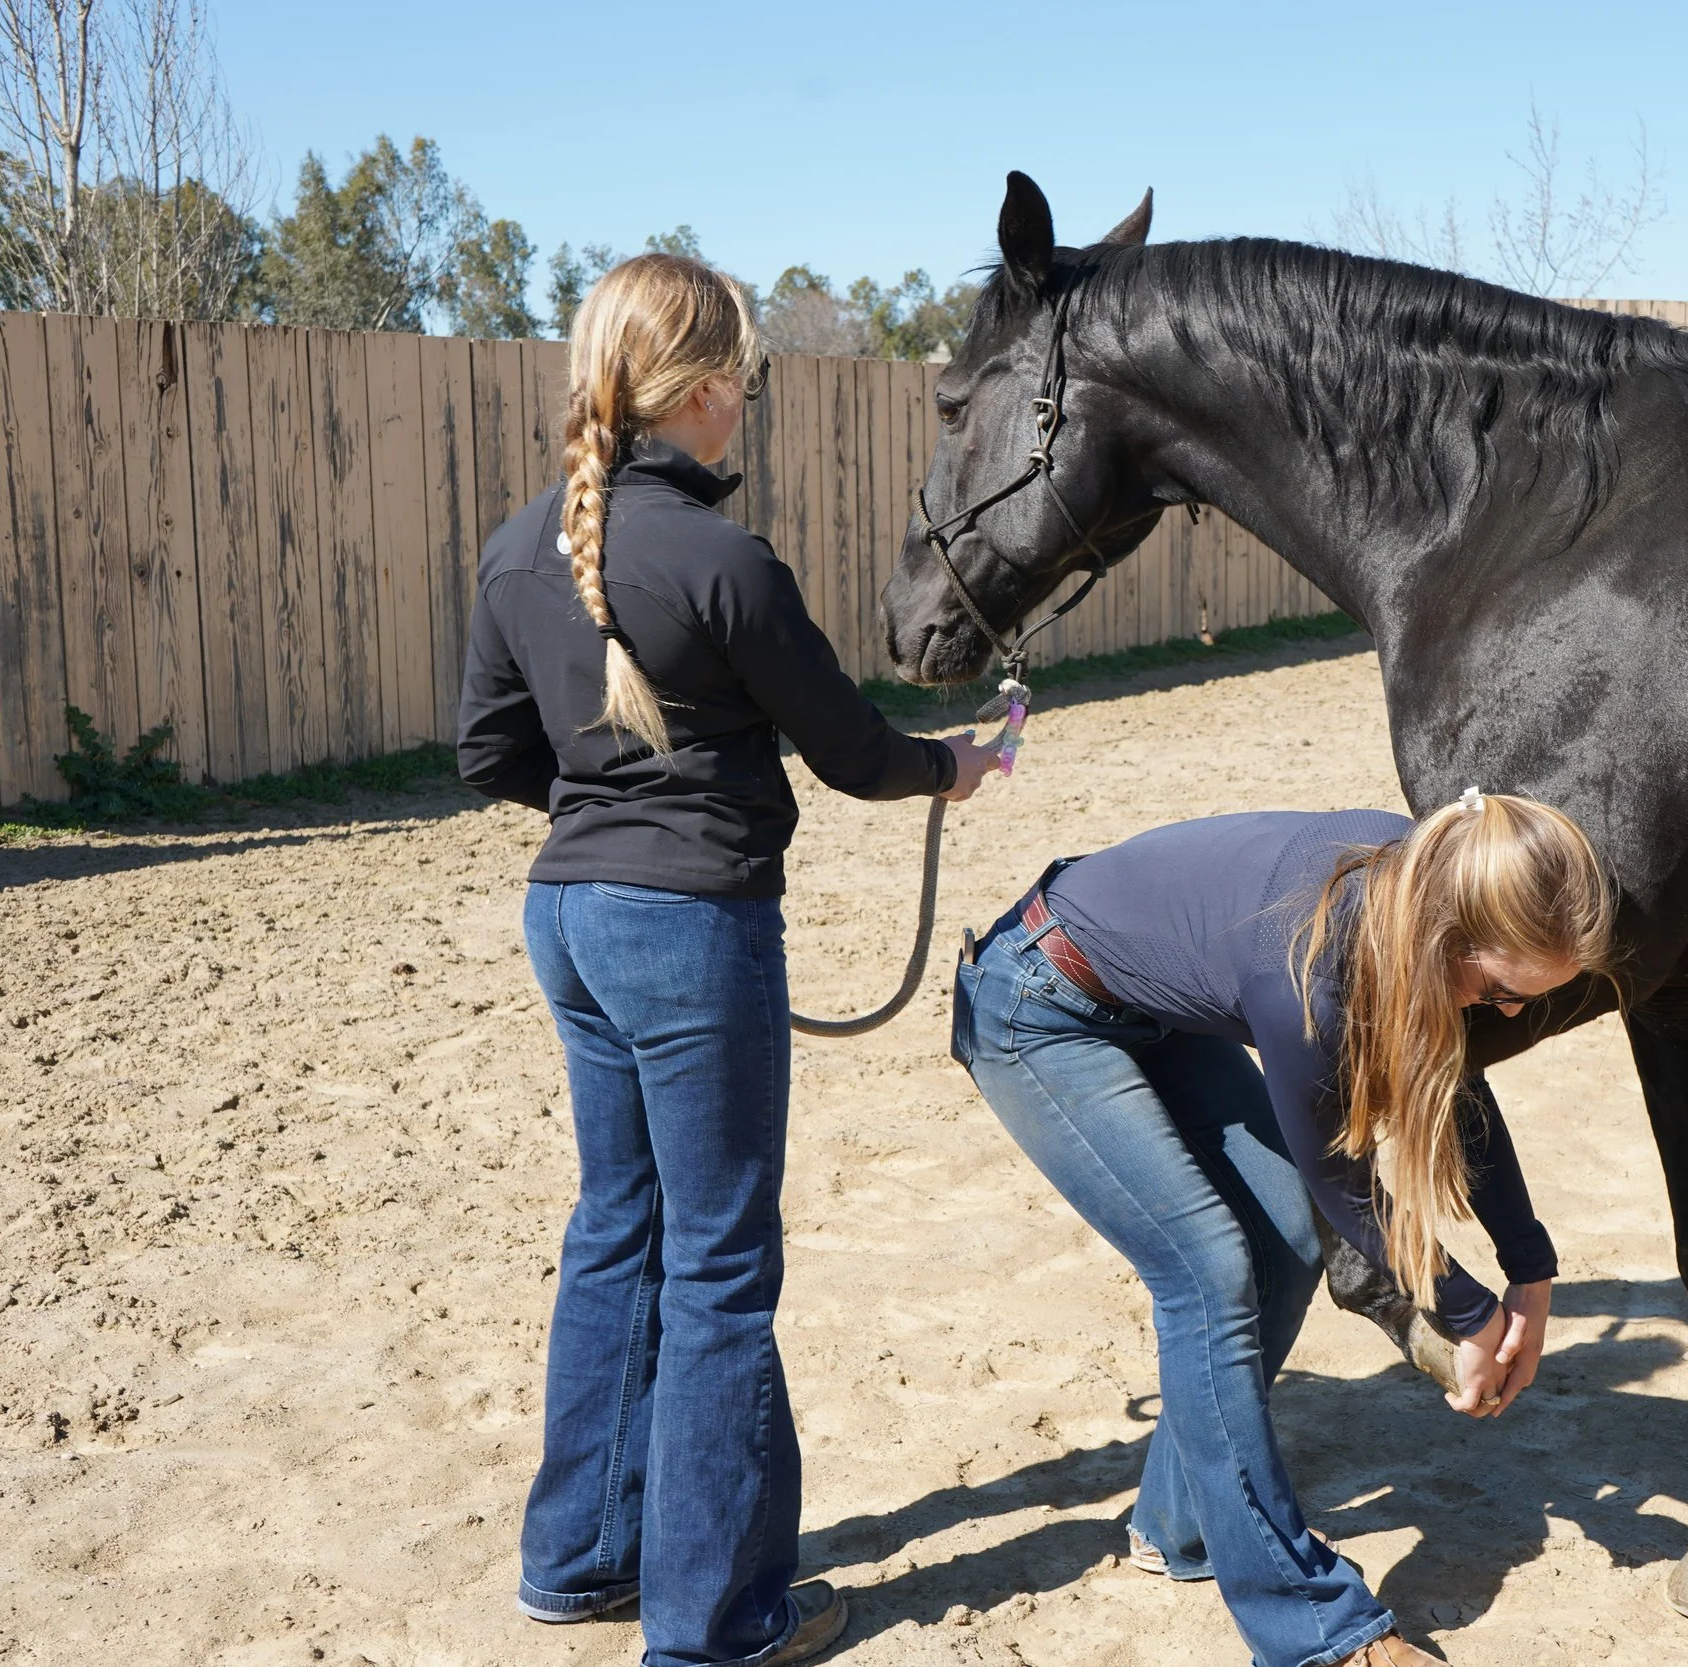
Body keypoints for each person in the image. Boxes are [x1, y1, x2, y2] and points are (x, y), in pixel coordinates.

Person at [456, 251, 997, 1667]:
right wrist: (960, 765)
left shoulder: (520, 549)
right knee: (716, 1266)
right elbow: (852, 748)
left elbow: (485, 753)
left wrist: (608, 811)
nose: (744, 410)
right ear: (697, 393)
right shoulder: (725, 561)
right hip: (690, 930)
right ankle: (713, 1619)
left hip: (568, 919)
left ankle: (577, 1558)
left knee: (614, 1229)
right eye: (741, 385)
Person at [952, 791, 1617, 1667]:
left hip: (1154, 1009)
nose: (1500, 1012)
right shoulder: (1311, 967)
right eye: (1498, 989)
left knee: (1287, 1244)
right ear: (1453, 929)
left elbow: (1456, 1088)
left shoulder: (1421, 878)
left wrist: (1530, 1272)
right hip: (1038, 1001)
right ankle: (1317, 1631)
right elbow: (1341, 1182)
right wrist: (1465, 1311)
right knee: (1209, 1275)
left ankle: (1176, 1525)